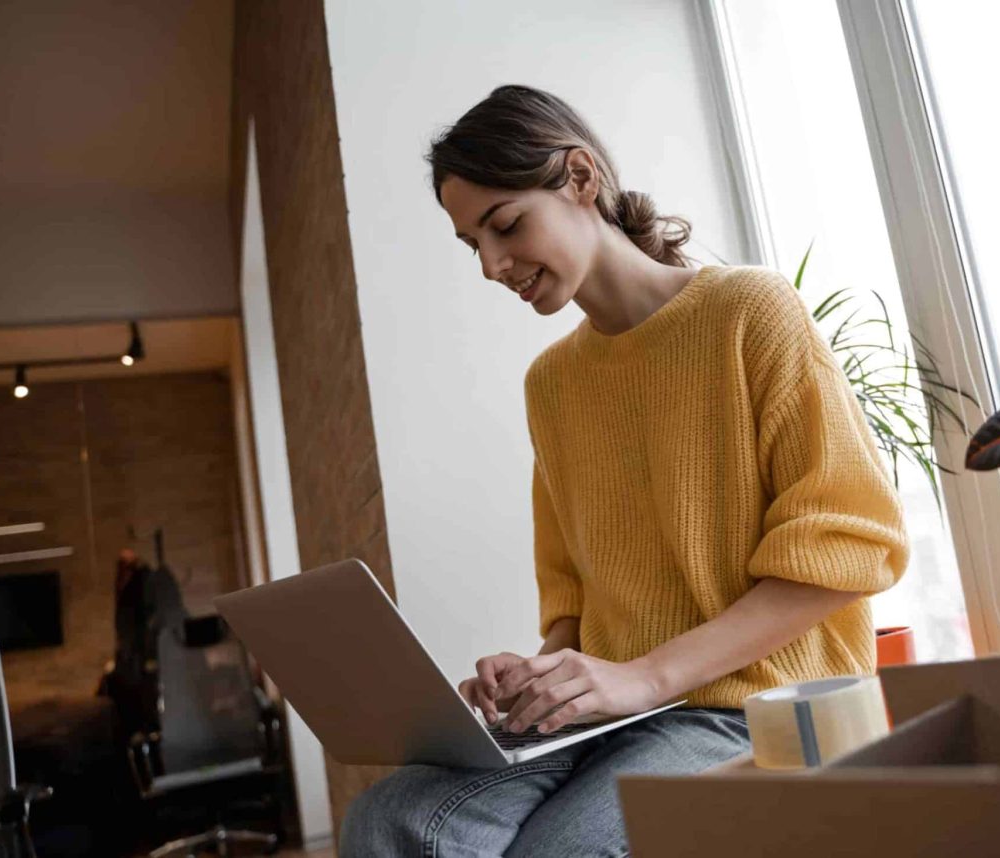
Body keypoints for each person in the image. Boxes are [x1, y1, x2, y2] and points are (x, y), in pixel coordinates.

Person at [340, 84, 910, 857]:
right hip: (615, 714)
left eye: (505, 225)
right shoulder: (552, 383)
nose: (493, 265)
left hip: (750, 705)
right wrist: (539, 678)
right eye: (473, 244)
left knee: (564, 851)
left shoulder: (749, 312)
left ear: (581, 177)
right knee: (386, 821)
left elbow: (848, 550)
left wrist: (644, 677)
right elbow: (574, 594)